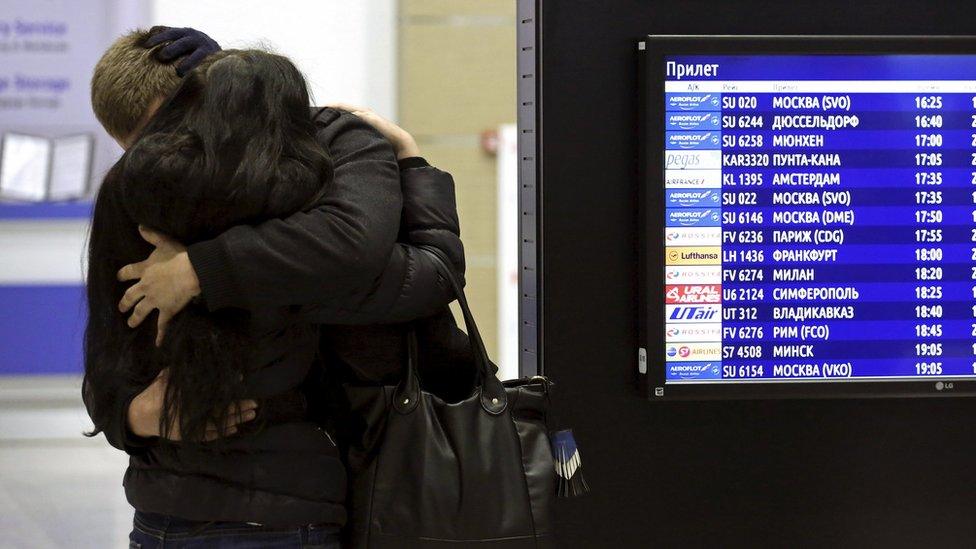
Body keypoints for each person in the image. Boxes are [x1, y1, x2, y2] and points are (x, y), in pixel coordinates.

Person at [84, 28, 470, 548]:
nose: (169, 167)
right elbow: (109, 355)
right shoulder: (141, 192)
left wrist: (200, 269)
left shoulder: (320, 156)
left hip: (276, 499)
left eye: (176, 136)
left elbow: (379, 259)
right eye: (147, 151)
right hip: (229, 504)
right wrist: (132, 414)